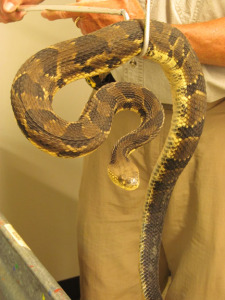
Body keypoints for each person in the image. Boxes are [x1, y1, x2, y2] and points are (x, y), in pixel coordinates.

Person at [1, 1, 225, 299]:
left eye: (124, 178)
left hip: (212, 122)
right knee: (106, 282)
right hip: (116, 111)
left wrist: (133, 32)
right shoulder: (110, 138)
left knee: (204, 284)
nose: (126, 180)